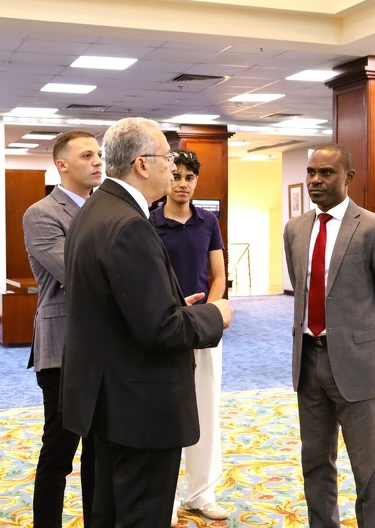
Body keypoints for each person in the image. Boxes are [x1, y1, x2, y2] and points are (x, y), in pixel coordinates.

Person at [62, 117, 233, 528]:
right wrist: (214, 314)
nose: (173, 169)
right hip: (139, 406)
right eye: (167, 158)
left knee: (108, 512)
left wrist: (174, 302)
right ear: (142, 164)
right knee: (140, 516)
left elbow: (121, 305)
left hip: (107, 398)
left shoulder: (96, 210)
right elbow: (160, 329)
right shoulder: (130, 225)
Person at [283, 144, 375, 528]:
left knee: (368, 470)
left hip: (358, 367)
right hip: (309, 362)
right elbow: (303, 290)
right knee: (315, 463)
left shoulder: (374, 227)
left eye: (326, 173)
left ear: (348, 178)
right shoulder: (296, 229)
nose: (315, 181)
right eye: (311, 172)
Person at [23, 131, 103, 527]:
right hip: (62, 349)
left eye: (100, 154)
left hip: (106, 348)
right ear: (62, 164)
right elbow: (73, 273)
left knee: (99, 452)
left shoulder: (104, 208)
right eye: (87, 155)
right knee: (58, 450)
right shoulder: (42, 213)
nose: (97, 161)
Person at [149, 149, 229, 526]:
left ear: (196, 181)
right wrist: (178, 310)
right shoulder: (148, 222)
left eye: (189, 178)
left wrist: (206, 315)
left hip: (204, 329)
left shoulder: (207, 221)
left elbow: (218, 277)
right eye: (176, 176)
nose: (182, 184)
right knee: (164, 412)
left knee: (205, 410)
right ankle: (160, 496)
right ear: (167, 178)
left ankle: (201, 494)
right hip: (164, 327)